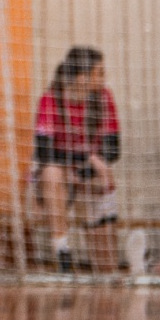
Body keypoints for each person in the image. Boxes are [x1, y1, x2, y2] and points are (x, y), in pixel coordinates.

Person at [35, 45, 122, 273]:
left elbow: (113, 149)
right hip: (60, 175)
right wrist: (81, 161)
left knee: (107, 266)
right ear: (83, 77)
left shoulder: (103, 98)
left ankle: (117, 259)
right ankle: (62, 249)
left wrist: (83, 170)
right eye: (100, 72)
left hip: (89, 174)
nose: (104, 77)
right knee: (52, 172)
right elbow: (43, 152)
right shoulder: (51, 99)